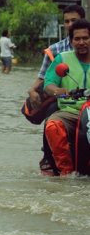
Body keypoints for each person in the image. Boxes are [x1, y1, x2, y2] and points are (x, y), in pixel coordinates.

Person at [26, 4, 85, 174]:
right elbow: (44, 77)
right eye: (66, 21)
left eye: (74, 20)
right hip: (65, 98)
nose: (70, 24)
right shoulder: (56, 51)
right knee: (52, 114)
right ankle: (49, 158)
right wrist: (32, 90)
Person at [43, 18, 90, 176]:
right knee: (53, 125)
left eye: (85, 38)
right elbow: (48, 85)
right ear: (71, 41)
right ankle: (66, 173)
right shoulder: (62, 59)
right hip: (70, 111)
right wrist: (62, 92)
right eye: (77, 39)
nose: (81, 42)